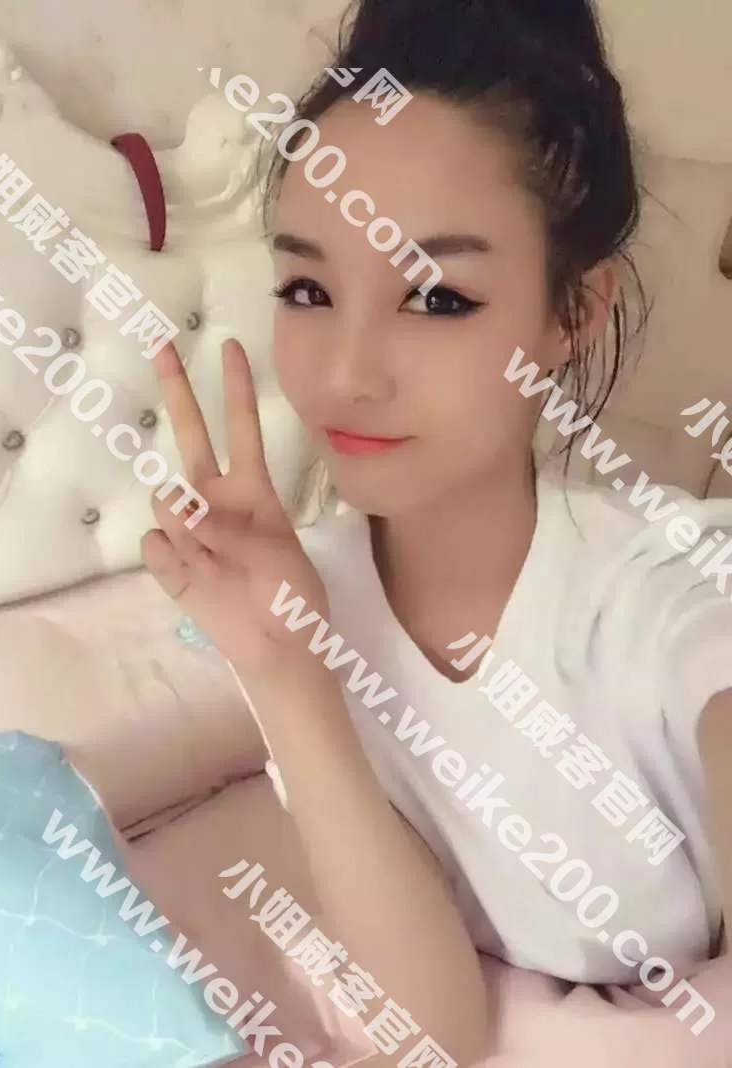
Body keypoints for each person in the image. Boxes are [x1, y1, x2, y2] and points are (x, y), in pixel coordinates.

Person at [143, 0, 732, 1062]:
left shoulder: (671, 597)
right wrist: (286, 670)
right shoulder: (299, 600)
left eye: (438, 298)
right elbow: (429, 1033)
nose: (346, 372)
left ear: (572, 313)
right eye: (308, 288)